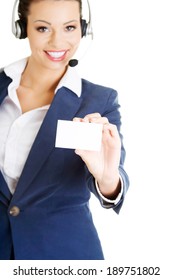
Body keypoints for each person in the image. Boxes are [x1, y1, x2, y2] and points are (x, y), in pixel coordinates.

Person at [0, 0, 129, 260]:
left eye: (69, 27)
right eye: (43, 29)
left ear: (83, 28)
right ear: (22, 28)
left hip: (64, 257)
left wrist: (107, 179)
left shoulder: (98, 101)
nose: (58, 42)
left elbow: (111, 177)